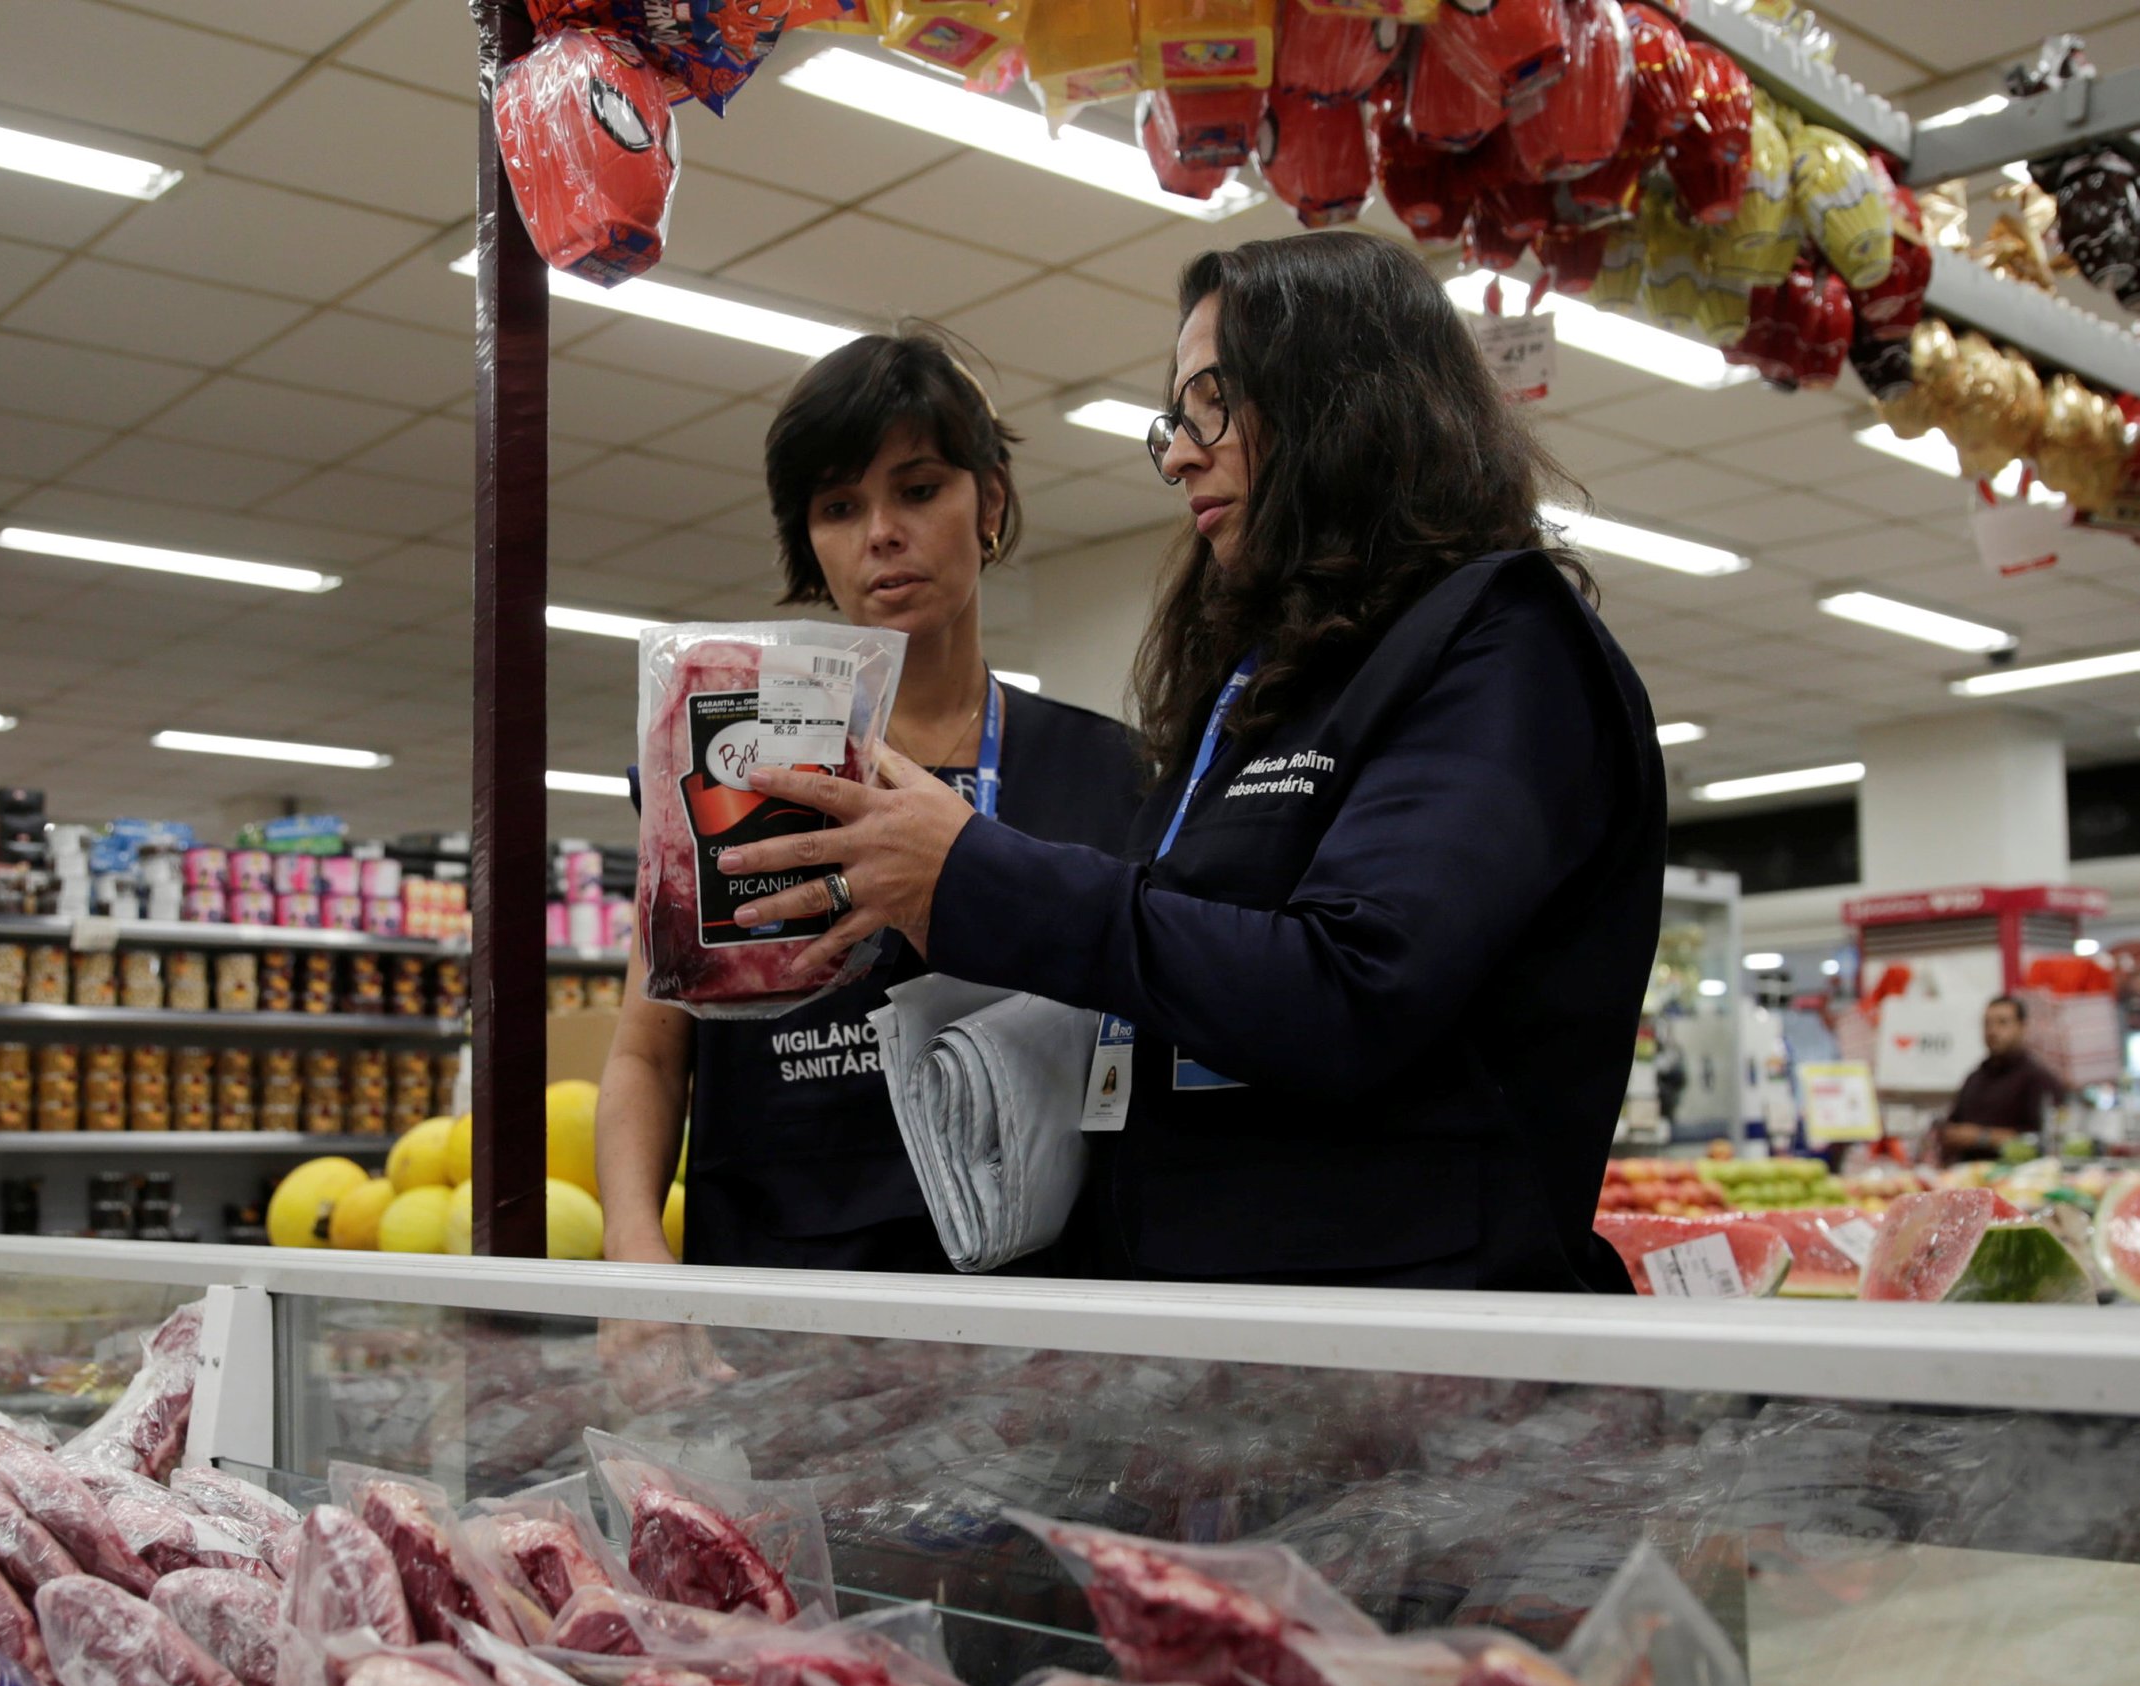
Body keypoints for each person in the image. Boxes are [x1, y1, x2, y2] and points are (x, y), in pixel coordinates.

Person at [714, 230, 1667, 1292]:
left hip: (1411, 1353)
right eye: (1175, 419)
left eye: (1212, 403)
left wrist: (972, 872)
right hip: (1225, 1339)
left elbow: (1351, 989)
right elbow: (1196, 970)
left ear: (1340, 396)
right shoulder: (1278, 683)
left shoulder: (1501, 645)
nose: (1177, 452)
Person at [596, 325, 1144, 1294]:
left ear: (991, 502)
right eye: (839, 506)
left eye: (920, 489)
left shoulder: (1107, 772)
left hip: (1045, 1292)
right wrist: (634, 1254)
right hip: (781, 1286)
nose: (881, 532)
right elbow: (647, 1047)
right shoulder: (726, 753)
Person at [1937, 995, 2066, 1159]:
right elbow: (1953, 1126)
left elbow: (2045, 1141)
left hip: (2022, 1179)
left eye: (2002, 1022)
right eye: (1987, 1024)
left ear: (2022, 1027)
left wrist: (1981, 1137)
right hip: (1968, 1176)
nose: (1992, 1031)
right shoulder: (1974, 1078)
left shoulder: (2039, 1080)